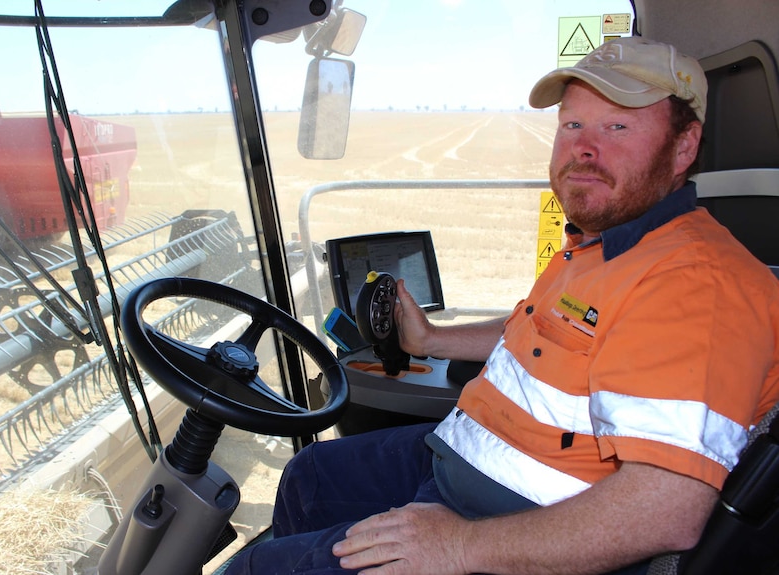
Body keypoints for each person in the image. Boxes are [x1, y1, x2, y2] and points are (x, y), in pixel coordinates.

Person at [225, 36, 779, 575]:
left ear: (683, 147)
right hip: (457, 458)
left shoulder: (697, 284)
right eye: (572, 125)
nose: (585, 147)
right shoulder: (601, 242)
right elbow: (543, 330)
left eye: (618, 126)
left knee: (249, 568)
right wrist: (431, 341)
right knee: (310, 474)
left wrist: (459, 548)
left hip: (512, 521)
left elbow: (662, 513)